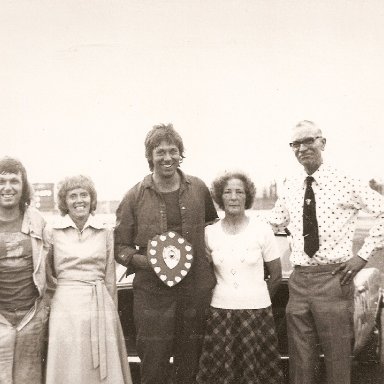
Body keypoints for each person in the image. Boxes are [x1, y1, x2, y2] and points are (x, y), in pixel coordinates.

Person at [269, 120, 384, 384]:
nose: (302, 148)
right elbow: (276, 220)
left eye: (308, 141)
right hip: (298, 281)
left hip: (334, 278)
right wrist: (232, 221)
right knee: (300, 360)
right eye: (295, 144)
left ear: (322, 142)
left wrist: (363, 256)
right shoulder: (291, 183)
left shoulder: (346, 180)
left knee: (337, 359)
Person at [114, 123, 218, 384]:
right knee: (153, 365)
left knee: (190, 363)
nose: (167, 158)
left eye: (173, 151)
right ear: (150, 156)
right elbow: (119, 248)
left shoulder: (199, 189)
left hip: (194, 292)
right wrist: (147, 262)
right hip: (152, 296)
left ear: (181, 154)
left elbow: (213, 231)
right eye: (160, 152)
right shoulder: (134, 196)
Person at [196, 171, 283, 384]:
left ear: (247, 197)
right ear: (220, 197)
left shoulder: (262, 230)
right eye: (228, 192)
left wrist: (256, 300)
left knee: (257, 374)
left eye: (239, 192)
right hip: (221, 314)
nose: (233, 197)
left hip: (257, 315)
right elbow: (206, 275)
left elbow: (276, 276)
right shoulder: (209, 233)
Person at [45, 175, 132, 384]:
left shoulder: (105, 231)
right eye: (72, 196)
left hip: (100, 305)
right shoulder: (52, 231)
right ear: (64, 202)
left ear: (91, 199)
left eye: (84, 195)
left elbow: (110, 276)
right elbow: (48, 275)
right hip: (65, 309)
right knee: (69, 366)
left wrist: (112, 312)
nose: (79, 200)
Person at [0, 157, 49, 384]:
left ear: (23, 185)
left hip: (31, 316)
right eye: (1, 181)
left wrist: (43, 309)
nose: (7, 187)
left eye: (14, 181)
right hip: (1, 317)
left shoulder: (37, 221)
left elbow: (51, 268)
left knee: (28, 379)